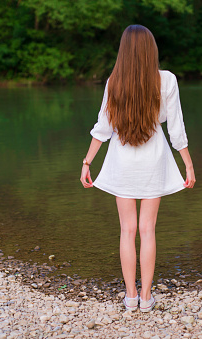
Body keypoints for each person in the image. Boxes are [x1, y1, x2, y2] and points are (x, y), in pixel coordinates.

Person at [80, 24, 195, 313]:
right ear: (151, 50)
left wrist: (87, 162)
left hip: (123, 162)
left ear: (124, 52)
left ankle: (130, 296)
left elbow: (102, 130)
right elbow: (176, 128)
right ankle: (146, 297)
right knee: (148, 229)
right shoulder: (166, 80)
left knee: (127, 230)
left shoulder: (113, 82)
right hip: (154, 160)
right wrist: (188, 164)